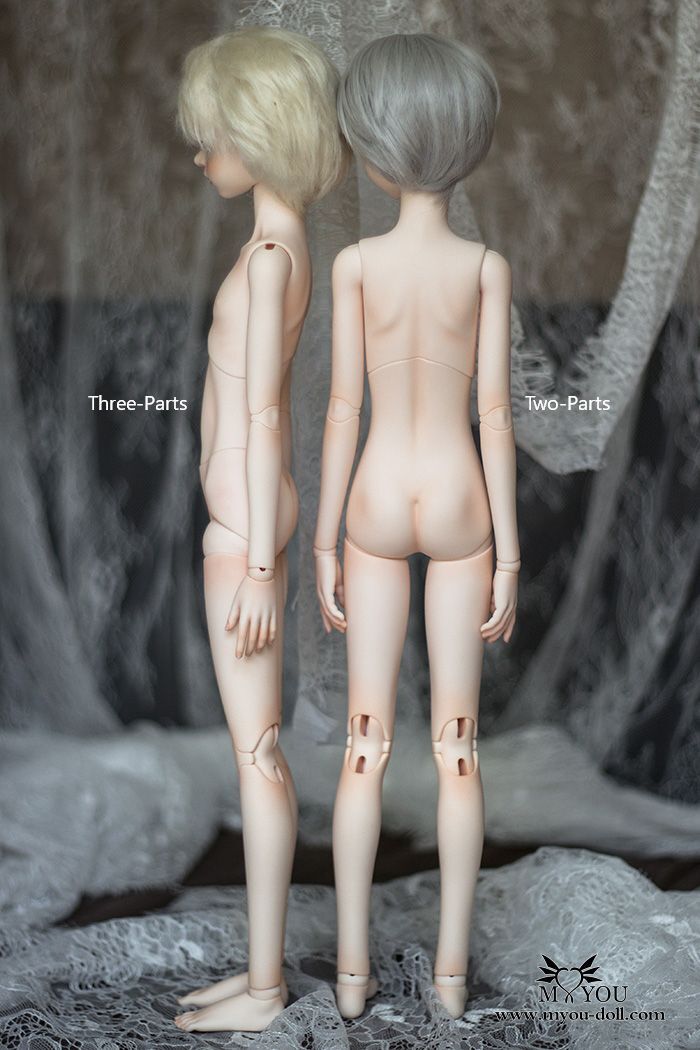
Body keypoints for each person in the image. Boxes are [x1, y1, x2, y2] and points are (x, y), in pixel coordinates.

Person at [314, 32, 520, 1021]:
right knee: (457, 748)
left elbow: (341, 408)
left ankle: (352, 975)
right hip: (458, 494)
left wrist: (323, 539)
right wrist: (508, 553)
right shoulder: (483, 266)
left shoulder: (356, 263)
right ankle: (448, 979)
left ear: (375, 146)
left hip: (374, 493)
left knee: (365, 745)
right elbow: (495, 414)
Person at [174, 26, 346, 1033]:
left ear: (264, 134)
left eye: (216, 136)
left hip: (244, 528)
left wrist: (254, 567)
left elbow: (265, 415)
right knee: (260, 752)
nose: (202, 156)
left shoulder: (269, 260)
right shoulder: (279, 248)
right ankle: (259, 974)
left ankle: (266, 984)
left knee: (258, 755)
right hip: (248, 517)